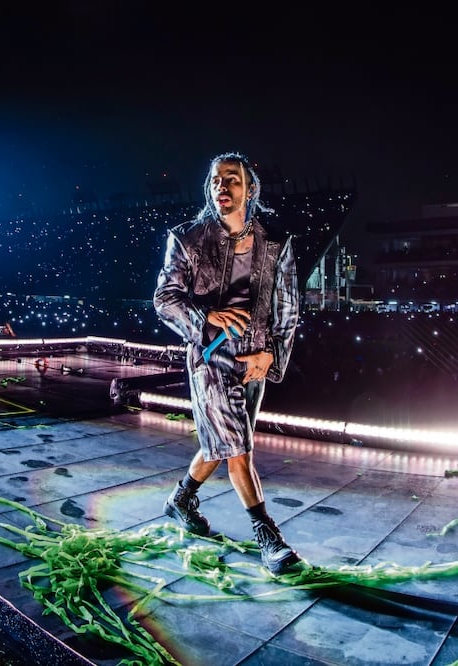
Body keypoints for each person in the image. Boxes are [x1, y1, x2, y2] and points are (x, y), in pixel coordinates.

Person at [153, 151, 302, 575]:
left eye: (233, 179)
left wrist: (270, 355)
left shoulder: (276, 243)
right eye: (217, 180)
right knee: (239, 447)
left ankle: (180, 500)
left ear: (249, 189)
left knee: (220, 444)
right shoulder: (187, 238)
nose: (223, 186)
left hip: (253, 360)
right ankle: (268, 538)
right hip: (208, 356)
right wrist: (206, 318)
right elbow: (164, 299)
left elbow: (288, 310)